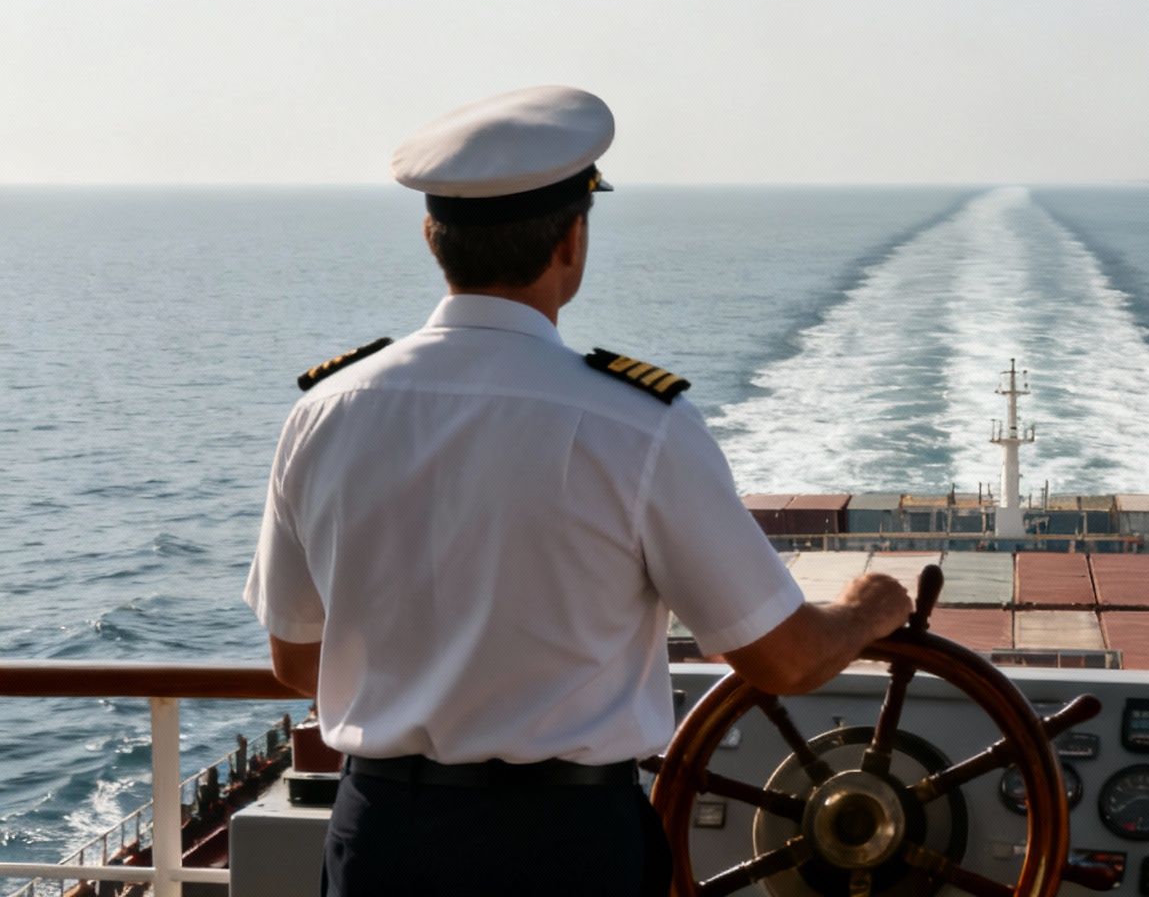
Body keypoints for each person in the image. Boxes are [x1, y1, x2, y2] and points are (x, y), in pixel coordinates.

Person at [242, 85, 912, 896]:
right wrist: (874, 607)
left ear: (432, 236)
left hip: (383, 838)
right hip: (563, 847)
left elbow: (294, 660)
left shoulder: (325, 412)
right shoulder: (636, 424)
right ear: (573, 241)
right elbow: (783, 659)